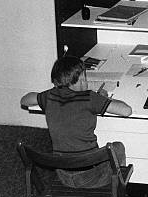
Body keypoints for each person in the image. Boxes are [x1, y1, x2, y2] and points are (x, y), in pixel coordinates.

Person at [20, 56, 132, 190]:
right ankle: (116, 190)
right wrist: (103, 98)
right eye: (85, 77)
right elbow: (126, 110)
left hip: (63, 175)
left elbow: (25, 100)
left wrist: (47, 93)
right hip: (90, 177)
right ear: (81, 80)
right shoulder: (90, 98)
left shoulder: (50, 96)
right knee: (118, 147)